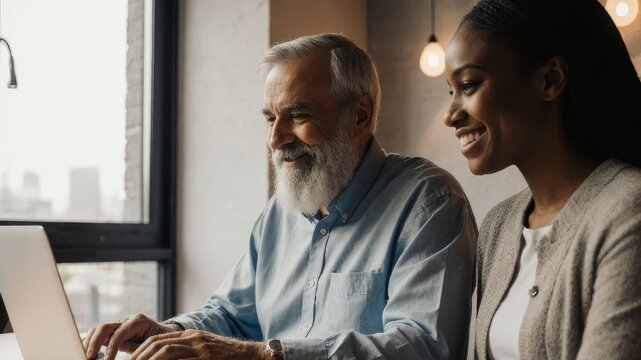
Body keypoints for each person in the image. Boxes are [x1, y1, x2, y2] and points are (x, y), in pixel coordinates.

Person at [85, 34, 477, 360]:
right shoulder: (279, 214)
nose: (276, 140)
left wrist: (264, 355)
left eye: (297, 116)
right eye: (271, 119)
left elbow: (422, 346)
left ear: (358, 116)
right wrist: (168, 332)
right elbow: (230, 314)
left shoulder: (429, 202)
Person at [444, 0, 641, 358]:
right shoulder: (497, 228)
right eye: (450, 91)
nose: (451, 114)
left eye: (469, 84)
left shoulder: (629, 213)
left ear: (550, 80)